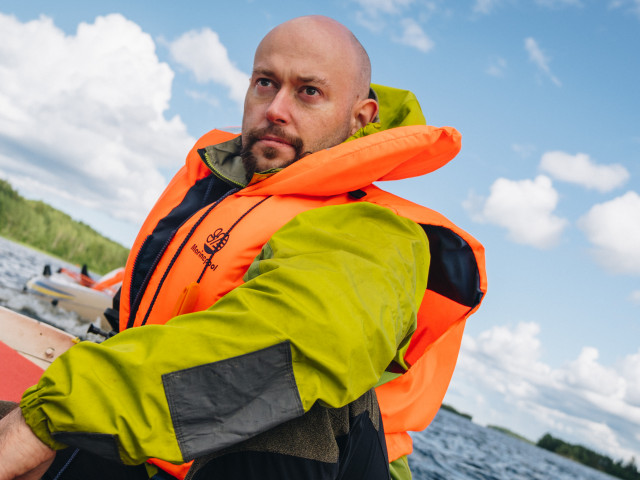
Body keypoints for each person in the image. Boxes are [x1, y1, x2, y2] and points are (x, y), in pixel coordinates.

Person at [0, 15, 486, 480]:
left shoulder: (380, 231)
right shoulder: (218, 197)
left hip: (295, 460)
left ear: (360, 118)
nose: (276, 108)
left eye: (309, 91)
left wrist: (49, 418)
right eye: (265, 82)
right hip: (166, 452)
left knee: (301, 396)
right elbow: (133, 320)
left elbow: (301, 339)